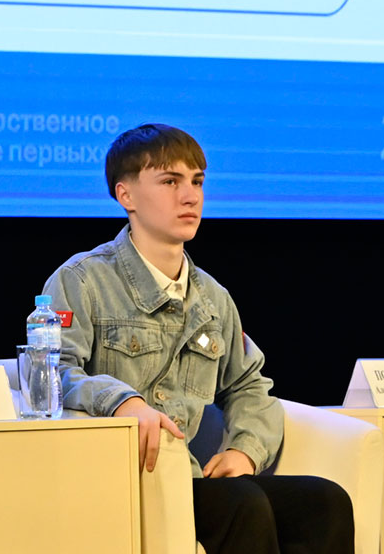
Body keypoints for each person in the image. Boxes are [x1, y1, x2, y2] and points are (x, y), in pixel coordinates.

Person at [42, 124, 355, 554]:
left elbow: (249, 385)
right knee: (242, 505)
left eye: (197, 181)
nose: (190, 197)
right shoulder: (82, 280)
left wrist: (245, 451)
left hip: (186, 478)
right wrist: (122, 401)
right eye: (170, 181)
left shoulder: (212, 298)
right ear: (125, 195)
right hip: (119, 480)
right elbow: (51, 372)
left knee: (324, 502)